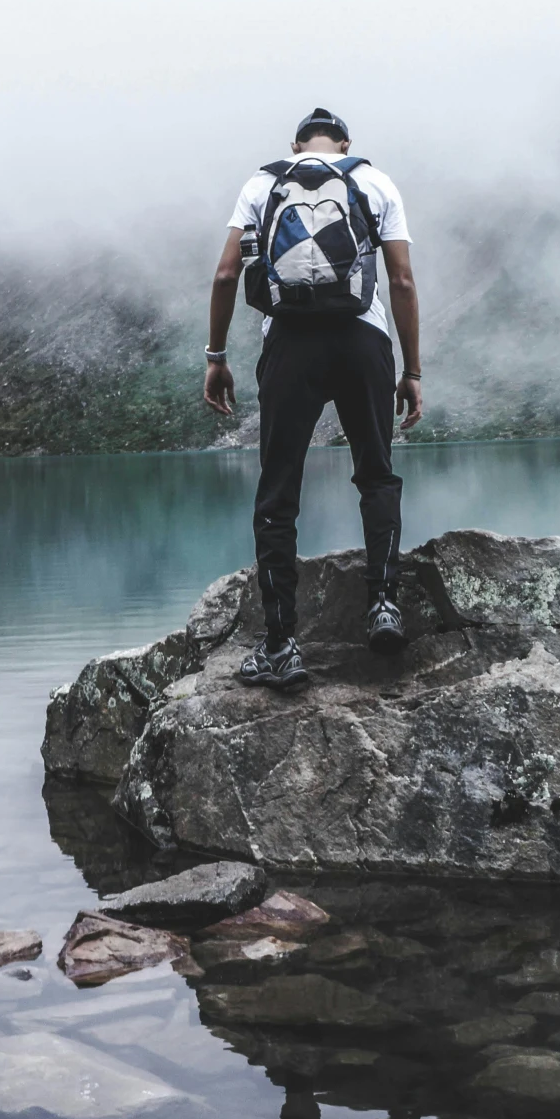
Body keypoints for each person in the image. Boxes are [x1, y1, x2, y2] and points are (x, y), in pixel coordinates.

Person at [204, 106, 423, 687]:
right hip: (364, 339)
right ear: (345, 142)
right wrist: (413, 370)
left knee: (278, 493)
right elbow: (401, 280)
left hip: (290, 345)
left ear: (297, 145)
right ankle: (382, 605)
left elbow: (227, 275)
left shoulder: (263, 182)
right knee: (376, 475)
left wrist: (217, 357)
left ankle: (281, 646)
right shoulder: (373, 181)